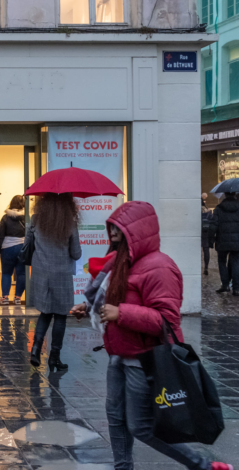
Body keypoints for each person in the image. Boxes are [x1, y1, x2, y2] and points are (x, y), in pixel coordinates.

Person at [71, 201, 233, 470]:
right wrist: (88, 307)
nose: (112, 232)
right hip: (119, 354)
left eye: (119, 228)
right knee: (116, 418)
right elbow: (109, 299)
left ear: (137, 231)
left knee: (142, 426)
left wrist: (120, 313)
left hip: (144, 359)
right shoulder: (118, 263)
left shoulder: (159, 267)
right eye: (111, 226)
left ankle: (204, 466)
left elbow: (166, 320)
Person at [27, 192, 81, 370]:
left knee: (45, 312)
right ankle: (54, 357)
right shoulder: (70, 223)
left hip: (41, 272)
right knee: (60, 315)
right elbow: (76, 253)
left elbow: (28, 244)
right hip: (61, 273)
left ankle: (35, 349)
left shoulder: (36, 220)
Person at [0, 195, 26, 306]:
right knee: (21, 273)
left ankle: (5, 297)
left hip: (7, 248)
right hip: (22, 247)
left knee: (6, 273)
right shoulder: (26, 217)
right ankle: (18, 298)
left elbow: (0, 234)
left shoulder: (5, 217)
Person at [210, 191, 239, 295]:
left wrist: (211, 239)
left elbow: (214, 225)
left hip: (222, 240)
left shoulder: (219, 208)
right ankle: (236, 288)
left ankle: (225, 285)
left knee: (222, 262)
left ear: (225, 195)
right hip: (236, 241)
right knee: (236, 263)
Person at [202, 198, 213, 276]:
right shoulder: (209, 212)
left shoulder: (196, 211)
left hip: (197, 232)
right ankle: (206, 267)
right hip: (206, 233)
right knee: (206, 250)